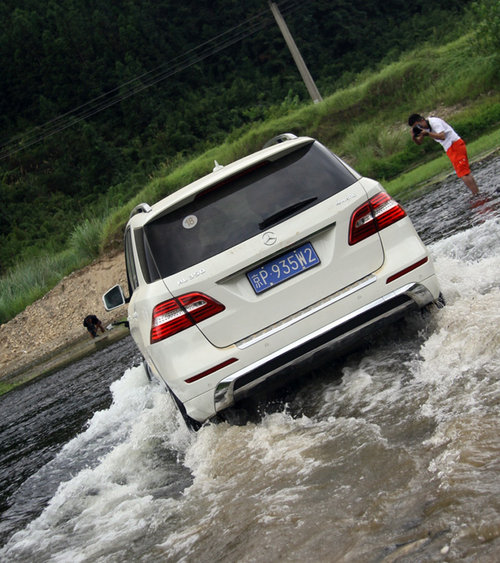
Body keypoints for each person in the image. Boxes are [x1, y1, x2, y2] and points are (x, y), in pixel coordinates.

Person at [408, 114, 479, 195]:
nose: (418, 127)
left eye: (417, 125)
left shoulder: (434, 122)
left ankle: (476, 194)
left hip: (454, 144)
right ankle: (477, 193)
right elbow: (419, 142)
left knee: (463, 173)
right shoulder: (424, 128)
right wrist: (414, 137)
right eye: (415, 127)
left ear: (422, 120)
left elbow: (442, 136)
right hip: (450, 149)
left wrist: (427, 134)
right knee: (464, 172)